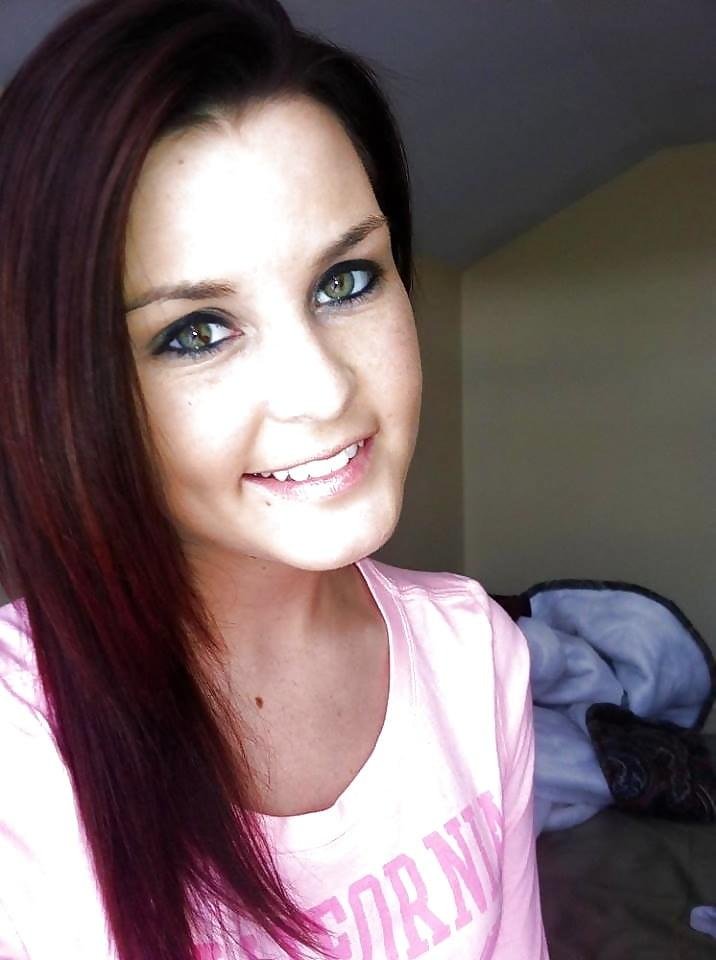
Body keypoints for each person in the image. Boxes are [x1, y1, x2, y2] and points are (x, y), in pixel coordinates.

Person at [0, 1, 549, 957]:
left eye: (346, 281)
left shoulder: (475, 654)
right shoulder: (21, 750)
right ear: (67, 394)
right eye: (196, 332)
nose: (323, 389)